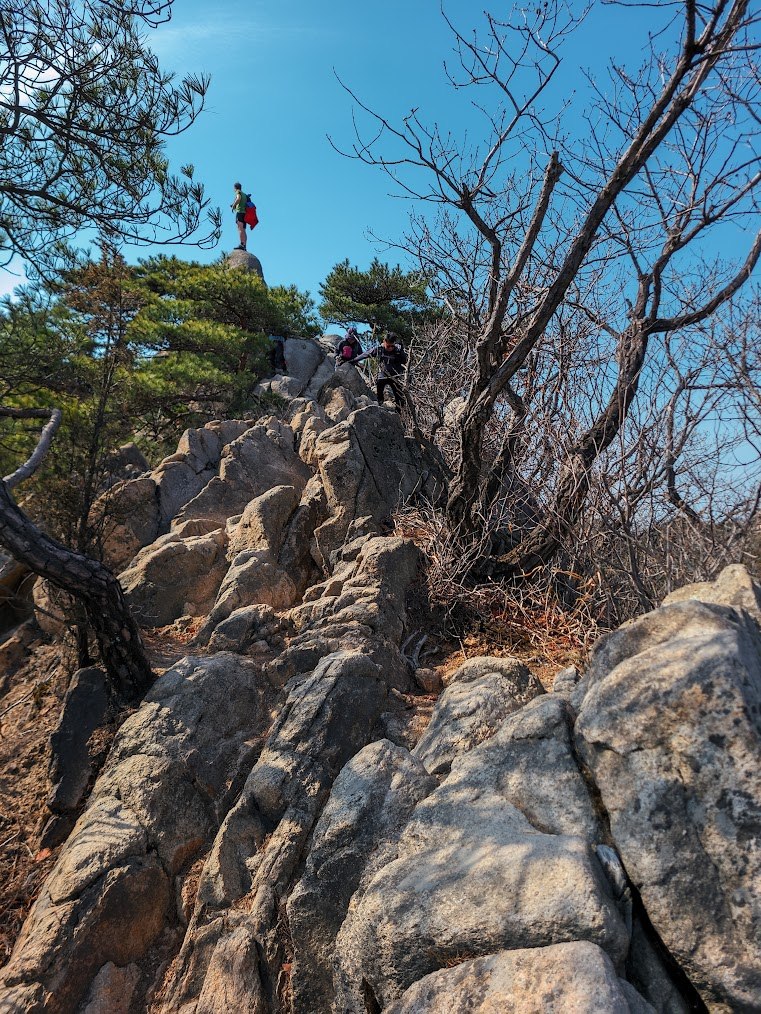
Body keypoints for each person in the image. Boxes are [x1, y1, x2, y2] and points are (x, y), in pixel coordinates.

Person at [355, 332, 408, 413]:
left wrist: (401, 352)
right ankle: (380, 405)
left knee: (399, 396)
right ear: (384, 342)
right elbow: (366, 354)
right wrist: (353, 360)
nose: (390, 348)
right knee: (379, 387)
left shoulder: (398, 350)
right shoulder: (380, 349)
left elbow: (405, 361)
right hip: (383, 375)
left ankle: (400, 414)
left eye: (392, 346)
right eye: (388, 346)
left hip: (395, 376)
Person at [231, 182, 247, 250]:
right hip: (245, 213)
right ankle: (244, 245)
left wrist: (233, 206)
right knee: (243, 229)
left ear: (235, 188)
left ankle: (241, 244)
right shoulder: (245, 194)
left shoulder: (238, 192)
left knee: (240, 229)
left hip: (240, 212)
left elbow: (238, 198)